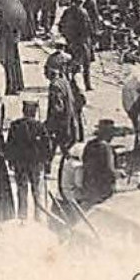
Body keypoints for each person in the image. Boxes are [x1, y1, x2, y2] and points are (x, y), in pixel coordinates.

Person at [5, 99, 51, 221]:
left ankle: (22, 217)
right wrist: (46, 162)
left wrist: (10, 161)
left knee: (22, 190)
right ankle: (39, 217)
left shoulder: (15, 125)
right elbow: (47, 146)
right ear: (34, 112)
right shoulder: (40, 126)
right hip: (36, 163)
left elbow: (10, 144)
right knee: (37, 191)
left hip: (20, 163)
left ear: (23, 111)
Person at [44, 56, 82, 194]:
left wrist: (50, 124)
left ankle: (58, 173)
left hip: (60, 123)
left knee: (53, 146)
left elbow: (57, 107)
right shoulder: (64, 82)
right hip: (70, 121)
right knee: (62, 148)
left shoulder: (54, 86)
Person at [58, 0, 97, 90]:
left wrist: (66, 36)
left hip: (71, 41)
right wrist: (94, 37)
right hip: (83, 41)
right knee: (86, 64)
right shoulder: (83, 12)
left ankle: (70, 82)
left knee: (72, 62)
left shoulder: (67, 11)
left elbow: (61, 25)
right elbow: (88, 27)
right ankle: (87, 84)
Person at [80, 119, 118, 207]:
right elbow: (109, 171)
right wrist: (119, 174)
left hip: (88, 188)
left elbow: (84, 160)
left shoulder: (89, 145)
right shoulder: (106, 148)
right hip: (102, 192)